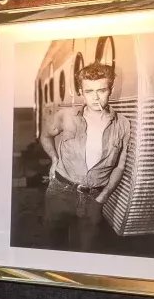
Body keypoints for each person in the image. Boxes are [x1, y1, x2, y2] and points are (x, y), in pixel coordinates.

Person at [37, 59, 130, 251]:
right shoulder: (66, 116)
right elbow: (45, 136)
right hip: (60, 192)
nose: (95, 98)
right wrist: (54, 159)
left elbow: (120, 166)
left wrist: (102, 198)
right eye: (89, 91)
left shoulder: (122, 124)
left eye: (101, 90)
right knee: (52, 247)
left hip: (94, 198)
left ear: (110, 90)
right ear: (81, 92)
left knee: (86, 252)